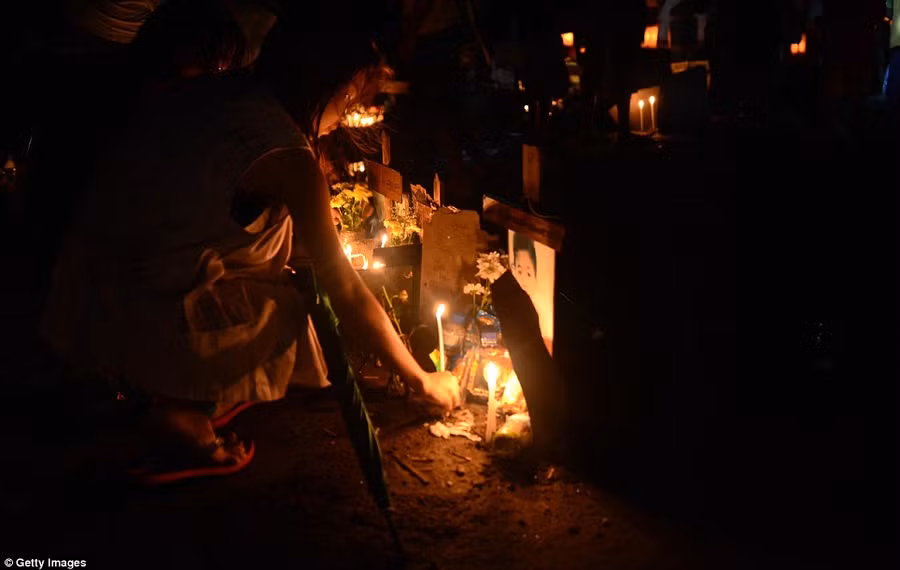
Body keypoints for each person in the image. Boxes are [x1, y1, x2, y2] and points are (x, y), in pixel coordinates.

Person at [40, 6, 460, 478]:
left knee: (274, 262)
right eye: (351, 96)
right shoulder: (286, 153)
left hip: (78, 298)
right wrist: (421, 379)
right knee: (291, 308)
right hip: (133, 317)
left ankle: (154, 388)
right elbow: (342, 288)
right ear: (331, 83)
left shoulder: (226, 93)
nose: (346, 115)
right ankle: (180, 410)